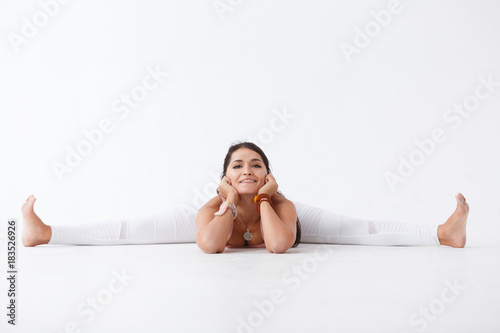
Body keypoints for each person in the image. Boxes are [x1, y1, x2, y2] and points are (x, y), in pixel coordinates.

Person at [21, 142, 469, 253]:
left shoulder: (285, 206)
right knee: (133, 230)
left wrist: (265, 202)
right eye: (237, 166)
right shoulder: (207, 209)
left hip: (276, 216)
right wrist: (228, 204)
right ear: (224, 177)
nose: (247, 170)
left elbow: (277, 246)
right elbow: (211, 245)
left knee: (356, 229)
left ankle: (442, 234)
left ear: (268, 175)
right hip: (221, 212)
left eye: (256, 165)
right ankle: (46, 233)